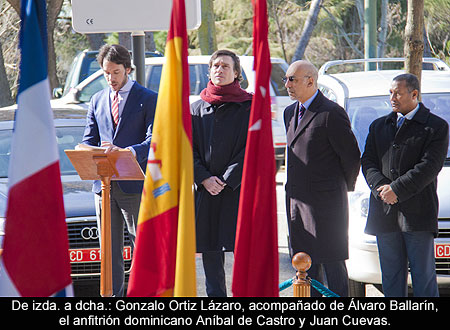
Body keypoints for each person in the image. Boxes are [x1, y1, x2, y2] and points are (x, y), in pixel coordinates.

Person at [361, 73, 449, 297]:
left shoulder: (436, 127)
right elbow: (368, 161)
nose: (393, 97)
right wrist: (382, 189)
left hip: (418, 216)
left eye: (398, 93)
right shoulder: (378, 126)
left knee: (424, 279)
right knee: (391, 278)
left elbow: (429, 167)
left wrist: (397, 190)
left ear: (414, 94)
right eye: (390, 92)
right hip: (384, 213)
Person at [82, 44, 157, 296]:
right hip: (102, 186)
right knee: (109, 248)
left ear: (127, 69)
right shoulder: (97, 99)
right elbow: (89, 138)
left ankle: (141, 295)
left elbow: (153, 139)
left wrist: (128, 152)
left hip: (134, 184)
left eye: (115, 72)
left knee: (141, 245)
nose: (110, 79)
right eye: (106, 73)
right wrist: (84, 150)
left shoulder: (147, 98)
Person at [283, 60, 360, 297]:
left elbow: (351, 157)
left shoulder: (330, 113)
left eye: (292, 79)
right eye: (285, 79)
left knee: (332, 263)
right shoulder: (289, 112)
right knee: (304, 264)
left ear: (310, 80)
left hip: (327, 203)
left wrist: (337, 188)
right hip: (298, 202)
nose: (287, 85)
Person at [191, 49, 252, 297]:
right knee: (211, 257)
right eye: (215, 65)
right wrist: (204, 178)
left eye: (225, 66)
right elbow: (187, 148)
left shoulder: (249, 107)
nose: (219, 69)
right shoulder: (196, 108)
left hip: (237, 192)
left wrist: (226, 180)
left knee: (243, 254)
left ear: (236, 73)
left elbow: (250, 148)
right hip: (206, 191)